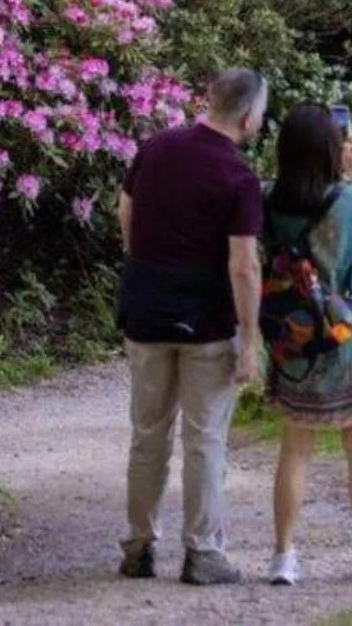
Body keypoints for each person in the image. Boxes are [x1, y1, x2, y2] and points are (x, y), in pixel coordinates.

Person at [113, 67, 267, 586]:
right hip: (205, 319)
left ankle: (138, 544)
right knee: (204, 439)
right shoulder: (239, 177)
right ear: (248, 117)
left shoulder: (155, 148)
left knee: (147, 433)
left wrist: (142, 259)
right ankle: (202, 552)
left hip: (147, 306)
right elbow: (243, 264)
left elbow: (126, 209)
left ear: (210, 99)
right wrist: (251, 338)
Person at [261, 104, 352, 585]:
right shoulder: (351, 202)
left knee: (294, 449)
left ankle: (283, 556)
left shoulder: (267, 201)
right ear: (332, 152)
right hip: (347, 334)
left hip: (294, 335)